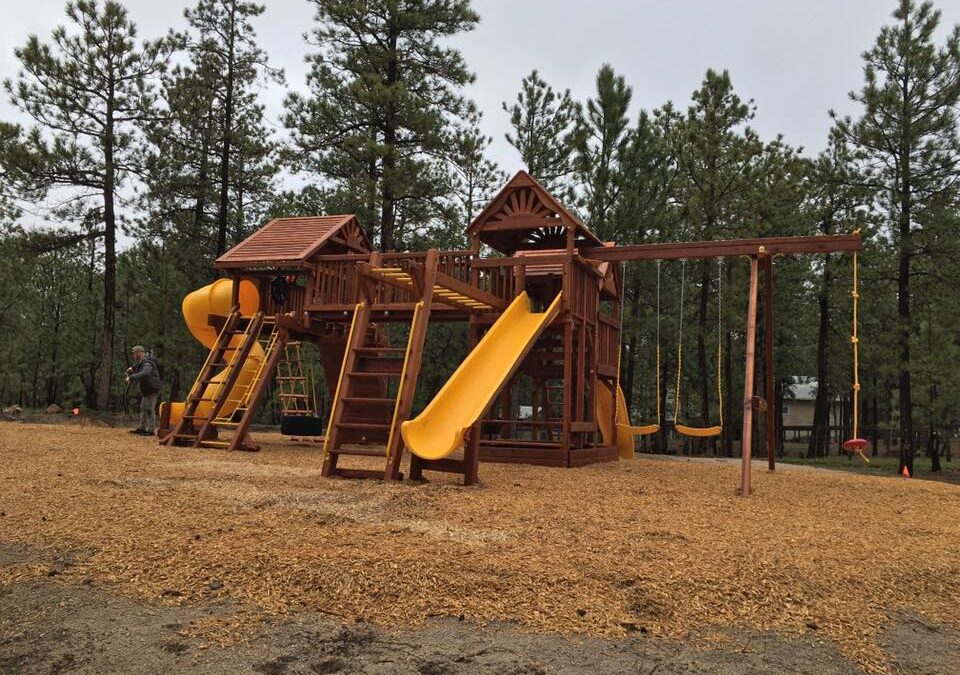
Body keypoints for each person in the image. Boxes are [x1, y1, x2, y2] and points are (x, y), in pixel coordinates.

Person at [126, 345, 162, 436]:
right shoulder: (141, 362)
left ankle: (151, 430)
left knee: (149, 408)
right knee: (143, 407)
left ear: (139, 353)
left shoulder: (147, 363)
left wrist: (131, 377)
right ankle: (142, 428)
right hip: (147, 390)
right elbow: (136, 366)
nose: (133, 355)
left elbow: (145, 372)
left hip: (152, 389)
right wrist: (131, 369)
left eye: (134, 353)